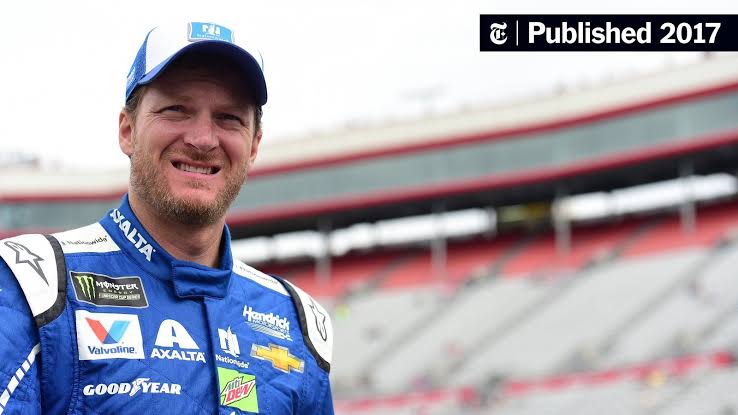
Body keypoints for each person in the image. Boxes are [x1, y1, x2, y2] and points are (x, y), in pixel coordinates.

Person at [0, 21, 333, 414]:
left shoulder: (297, 321)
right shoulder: (34, 285)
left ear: (254, 145)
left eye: (229, 117)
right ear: (128, 130)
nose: (203, 139)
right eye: (176, 110)